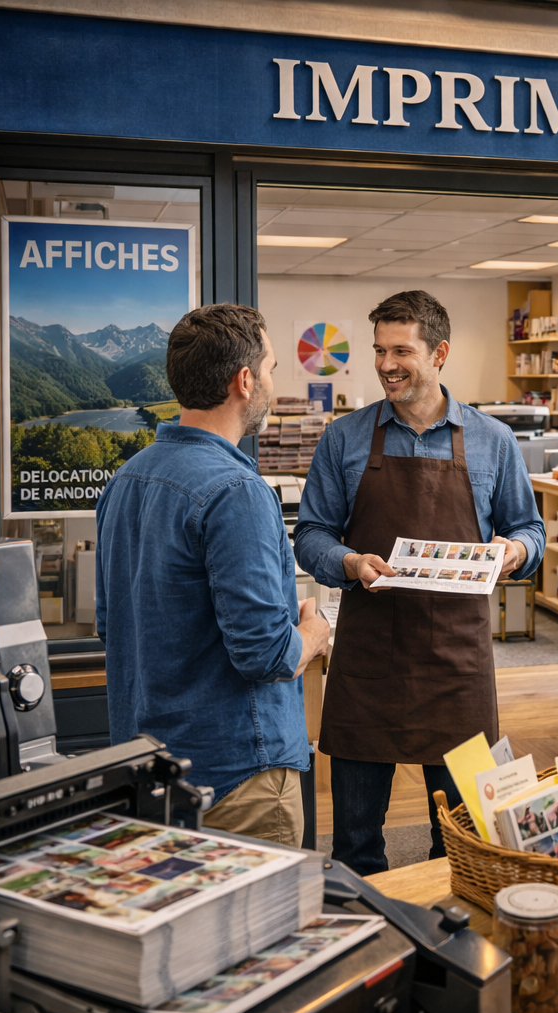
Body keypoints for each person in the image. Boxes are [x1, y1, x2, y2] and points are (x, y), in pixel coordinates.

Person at [295, 290, 545, 875]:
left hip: (457, 665)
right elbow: (310, 535)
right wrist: (351, 563)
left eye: (401, 350)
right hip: (369, 660)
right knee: (354, 847)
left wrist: (516, 551)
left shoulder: (493, 440)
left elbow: (528, 528)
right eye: (379, 350)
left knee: (461, 845)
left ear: (440, 354)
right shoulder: (344, 439)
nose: (385, 364)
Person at [97, 304, 330, 846]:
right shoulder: (237, 492)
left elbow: (113, 628)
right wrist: (314, 636)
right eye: (271, 368)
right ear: (245, 381)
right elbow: (267, 656)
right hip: (236, 782)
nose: (272, 381)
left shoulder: (125, 479)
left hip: (148, 770)